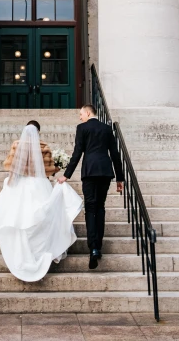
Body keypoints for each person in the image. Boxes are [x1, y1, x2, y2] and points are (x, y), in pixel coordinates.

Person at [0, 121, 83, 282]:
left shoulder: (17, 145)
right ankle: (41, 250)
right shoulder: (43, 146)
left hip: (21, 184)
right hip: (38, 184)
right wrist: (58, 166)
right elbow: (49, 171)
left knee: (19, 218)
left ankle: (22, 252)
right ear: (38, 131)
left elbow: (11, 167)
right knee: (42, 215)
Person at [57, 104, 125, 270]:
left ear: (88, 113)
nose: (80, 117)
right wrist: (120, 178)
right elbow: (115, 154)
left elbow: (77, 152)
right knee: (100, 208)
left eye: (81, 114)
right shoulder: (107, 128)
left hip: (89, 172)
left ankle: (93, 247)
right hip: (105, 171)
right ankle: (98, 247)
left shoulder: (82, 128)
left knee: (90, 208)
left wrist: (66, 175)